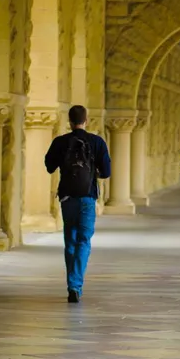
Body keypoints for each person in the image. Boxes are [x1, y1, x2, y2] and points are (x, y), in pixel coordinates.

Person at [45, 105, 111, 303]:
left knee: (70, 240)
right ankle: (75, 285)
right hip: (87, 197)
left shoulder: (61, 142)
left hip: (67, 197)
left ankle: (72, 285)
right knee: (84, 240)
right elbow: (106, 172)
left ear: (69, 121)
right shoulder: (97, 142)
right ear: (86, 120)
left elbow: (49, 166)